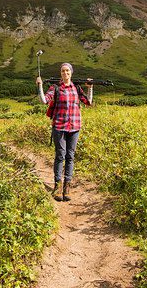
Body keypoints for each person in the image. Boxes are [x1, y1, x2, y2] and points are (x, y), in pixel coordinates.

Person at [36, 62, 93, 202]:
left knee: (70, 156)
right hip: (59, 126)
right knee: (60, 155)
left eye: (67, 71)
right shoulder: (55, 87)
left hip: (75, 127)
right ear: (60, 73)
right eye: (63, 71)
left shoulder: (77, 88)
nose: (65, 73)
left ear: (71, 72)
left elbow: (88, 102)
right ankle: (57, 185)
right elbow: (44, 100)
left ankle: (67, 186)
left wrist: (90, 88)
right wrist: (39, 86)